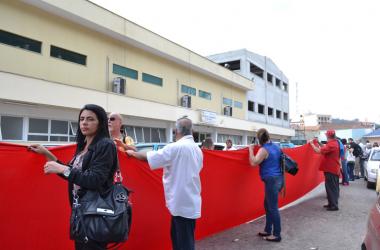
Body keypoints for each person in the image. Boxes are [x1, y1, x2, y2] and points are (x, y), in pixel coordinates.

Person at [29, 104, 119, 250]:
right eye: (82, 119)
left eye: (90, 119)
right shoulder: (83, 146)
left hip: (95, 213)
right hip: (81, 212)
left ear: (101, 122)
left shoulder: (105, 145)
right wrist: (47, 154)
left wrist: (62, 168)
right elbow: (74, 175)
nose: (84, 123)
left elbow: (95, 180)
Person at [126, 116, 203, 250]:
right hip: (189, 201)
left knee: (183, 243)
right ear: (191, 130)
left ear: (176, 131)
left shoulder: (176, 147)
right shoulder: (197, 149)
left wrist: (131, 153)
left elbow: (149, 157)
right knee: (181, 239)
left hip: (181, 203)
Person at [248, 128, 283, 242]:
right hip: (278, 179)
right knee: (268, 205)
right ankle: (268, 229)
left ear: (259, 139)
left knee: (272, 207)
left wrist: (250, 150)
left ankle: (277, 234)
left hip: (271, 180)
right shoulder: (276, 147)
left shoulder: (264, 150)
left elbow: (253, 162)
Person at [309, 130, 340, 211]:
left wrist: (312, 144)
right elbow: (324, 147)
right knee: (330, 187)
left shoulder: (332, 144)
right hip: (332, 169)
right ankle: (331, 203)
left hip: (331, 169)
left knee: (331, 188)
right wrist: (318, 142)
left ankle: (334, 205)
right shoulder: (334, 143)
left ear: (328, 136)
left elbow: (318, 151)